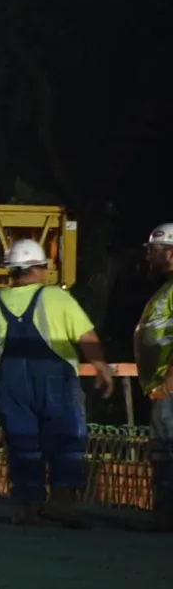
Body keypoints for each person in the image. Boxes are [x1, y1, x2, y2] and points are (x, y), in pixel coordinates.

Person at [0, 238, 117, 527]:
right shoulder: (56, 298)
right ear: (38, 268)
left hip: (10, 386)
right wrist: (100, 367)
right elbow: (86, 336)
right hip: (55, 381)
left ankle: (28, 506)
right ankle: (61, 503)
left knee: (22, 443)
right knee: (66, 439)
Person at [136, 223, 173, 532]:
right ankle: (163, 514)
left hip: (169, 387)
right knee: (162, 450)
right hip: (162, 387)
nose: (148, 256)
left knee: (167, 451)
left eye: (153, 251)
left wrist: (169, 381)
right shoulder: (166, 289)